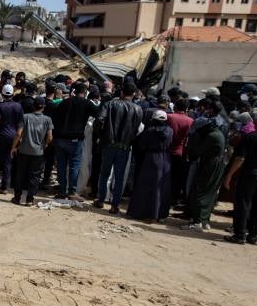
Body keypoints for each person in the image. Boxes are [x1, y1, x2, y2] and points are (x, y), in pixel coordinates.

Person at [94, 80, 143, 214]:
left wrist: (101, 136)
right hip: (124, 147)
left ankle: (100, 200)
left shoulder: (110, 105)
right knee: (119, 177)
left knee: (104, 174)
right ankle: (114, 205)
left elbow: (98, 121)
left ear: (121, 92)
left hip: (108, 145)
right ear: (134, 94)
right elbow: (138, 129)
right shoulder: (138, 109)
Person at [183, 99, 227, 231]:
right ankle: (205, 220)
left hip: (209, 165)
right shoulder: (220, 129)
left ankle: (197, 222)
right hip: (217, 164)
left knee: (198, 192)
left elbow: (198, 151)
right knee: (210, 193)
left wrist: (191, 149)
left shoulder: (211, 136)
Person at [52, 82, 99, 200]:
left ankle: (62, 191)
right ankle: (72, 192)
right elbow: (99, 114)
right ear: (85, 92)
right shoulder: (86, 103)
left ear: (74, 91)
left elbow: (55, 119)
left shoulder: (63, 102)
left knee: (61, 166)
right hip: (75, 139)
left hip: (59, 138)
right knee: (74, 166)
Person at [127, 109, 173, 222]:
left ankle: (143, 212)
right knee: (162, 187)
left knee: (145, 186)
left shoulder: (150, 130)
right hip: (165, 159)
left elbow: (142, 145)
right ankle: (159, 214)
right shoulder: (170, 131)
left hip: (151, 159)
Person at [223, 111, 257, 244]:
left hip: (249, 174)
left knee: (243, 203)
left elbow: (240, 158)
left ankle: (239, 234)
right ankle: (253, 235)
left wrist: (229, 175)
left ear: (256, 123)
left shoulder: (250, 137)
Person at [11, 96, 53, 205]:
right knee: (34, 176)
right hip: (38, 152)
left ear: (33, 106)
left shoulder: (25, 117)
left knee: (20, 174)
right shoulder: (47, 119)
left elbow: (18, 134)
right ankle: (30, 199)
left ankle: (17, 198)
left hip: (24, 151)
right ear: (43, 107)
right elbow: (50, 137)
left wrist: (13, 147)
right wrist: (45, 145)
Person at [0, 84, 24, 193]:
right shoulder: (18, 106)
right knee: (8, 161)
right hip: (14, 136)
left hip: (2, 136)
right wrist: (19, 138)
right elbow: (21, 125)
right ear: (12, 94)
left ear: (2, 94)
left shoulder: (0, 106)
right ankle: (4, 187)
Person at [167, 98, 194, 207]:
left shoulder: (169, 117)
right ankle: (174, 199)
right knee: (177, 178)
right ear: (186, 109)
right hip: (181, 152)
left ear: (175, 106)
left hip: (167, 151)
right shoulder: (190, 121)